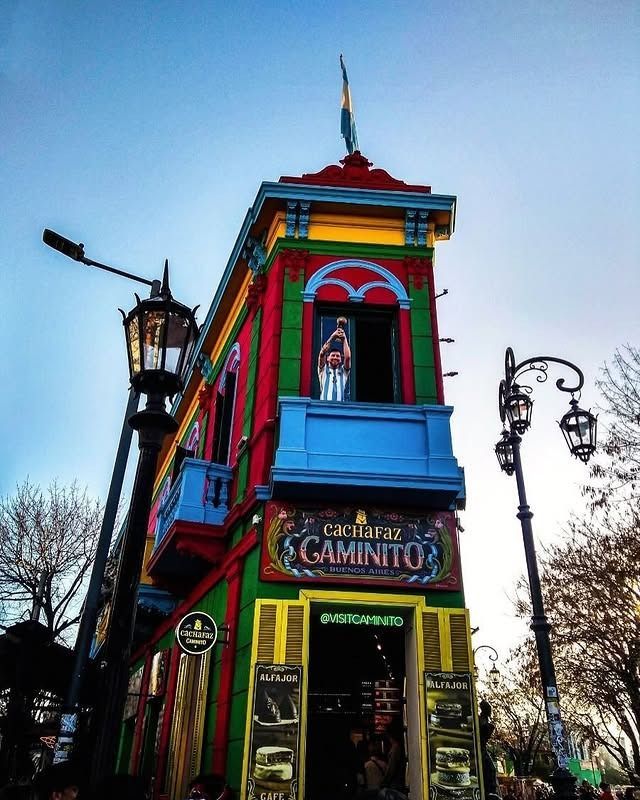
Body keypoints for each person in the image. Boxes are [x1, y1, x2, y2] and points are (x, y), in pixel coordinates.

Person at [318, 325, 351, 401]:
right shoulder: (323, 369)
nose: (335, 357)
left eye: (338, 356)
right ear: (328, 358)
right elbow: (322, 353)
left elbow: (348, 357)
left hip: (339, 409)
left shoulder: (343, 372)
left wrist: (344, 339)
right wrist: (333, 336)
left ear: (340, 359)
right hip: (324, 407)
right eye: (333, 355)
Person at [381, 724, 405, 792]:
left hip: (395, 783)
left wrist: (384, 782)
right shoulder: (398, 747)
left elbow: (391, 768)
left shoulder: (395, 748)